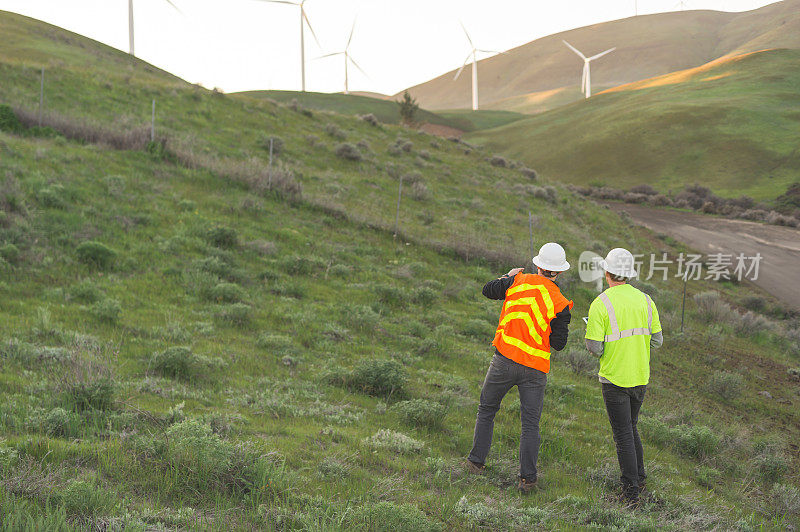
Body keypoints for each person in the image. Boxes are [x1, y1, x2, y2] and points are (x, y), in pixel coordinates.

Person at [466, 242, 573, 494]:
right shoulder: (560, 302)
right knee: (530, 424)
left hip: (503, 361)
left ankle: (475, 463)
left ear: (537, 265)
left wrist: (507, 276)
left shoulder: (516, 281)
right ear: (559, 272)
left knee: (487, 410)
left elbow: (487, 290)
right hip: (534, 370)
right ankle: (528, 481)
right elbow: (559, 344)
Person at [584, 248, 663, 506]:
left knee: (623, 434)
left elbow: (594, 347)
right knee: (631, 426)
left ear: (607, 272)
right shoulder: (646, 300)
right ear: (628, 275)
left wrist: (609, 347)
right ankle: (639, 478)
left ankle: (630, 493)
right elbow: (657, 341)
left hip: (615, 379)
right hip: (640, 377)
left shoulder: (601, 303)